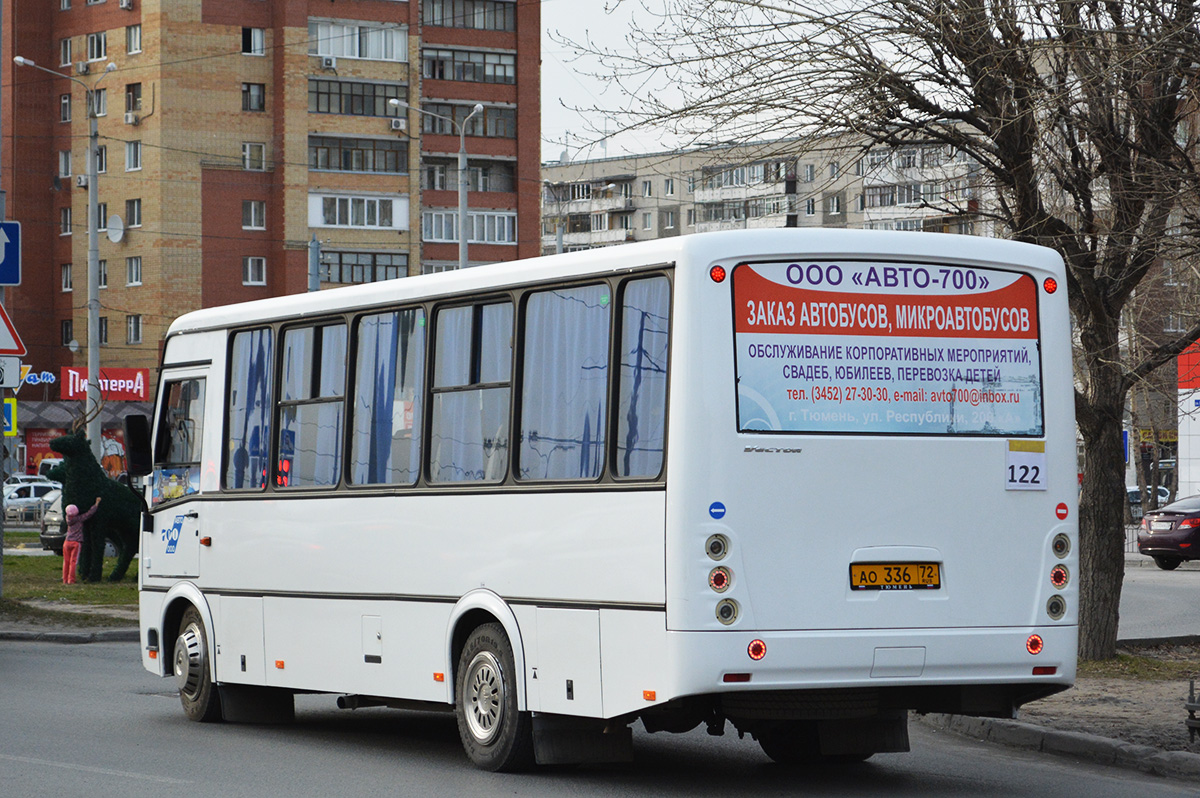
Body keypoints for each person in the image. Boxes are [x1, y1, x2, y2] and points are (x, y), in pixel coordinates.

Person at [62, 496, 101, 585]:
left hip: (67, 542)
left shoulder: (68, 518)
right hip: (76, 542)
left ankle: (65, 580)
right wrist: (96, 504)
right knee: (73, 562)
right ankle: (71, 580)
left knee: (66, 561)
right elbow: (89, 514)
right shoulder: (79, 519)